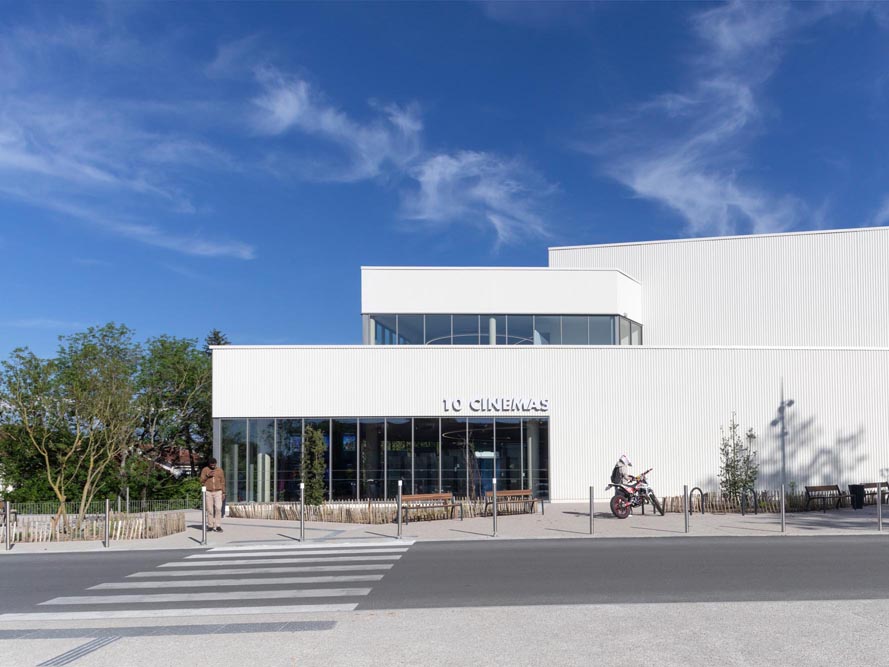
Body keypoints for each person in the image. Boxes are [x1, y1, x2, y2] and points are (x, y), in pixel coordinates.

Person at [200, 457, 226, 532]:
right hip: (208, 491)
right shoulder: (205, 470)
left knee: (218, 508)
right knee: (209, 509)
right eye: (211, 465)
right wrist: (208, 475)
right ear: (209, 464)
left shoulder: (220, 470)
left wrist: (224, 492)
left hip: (218, 491)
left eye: (214, 465)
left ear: (216, 464)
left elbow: (223, 482)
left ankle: (218, 525)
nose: (213, 466)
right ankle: (210, 525)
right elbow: (201, 480)